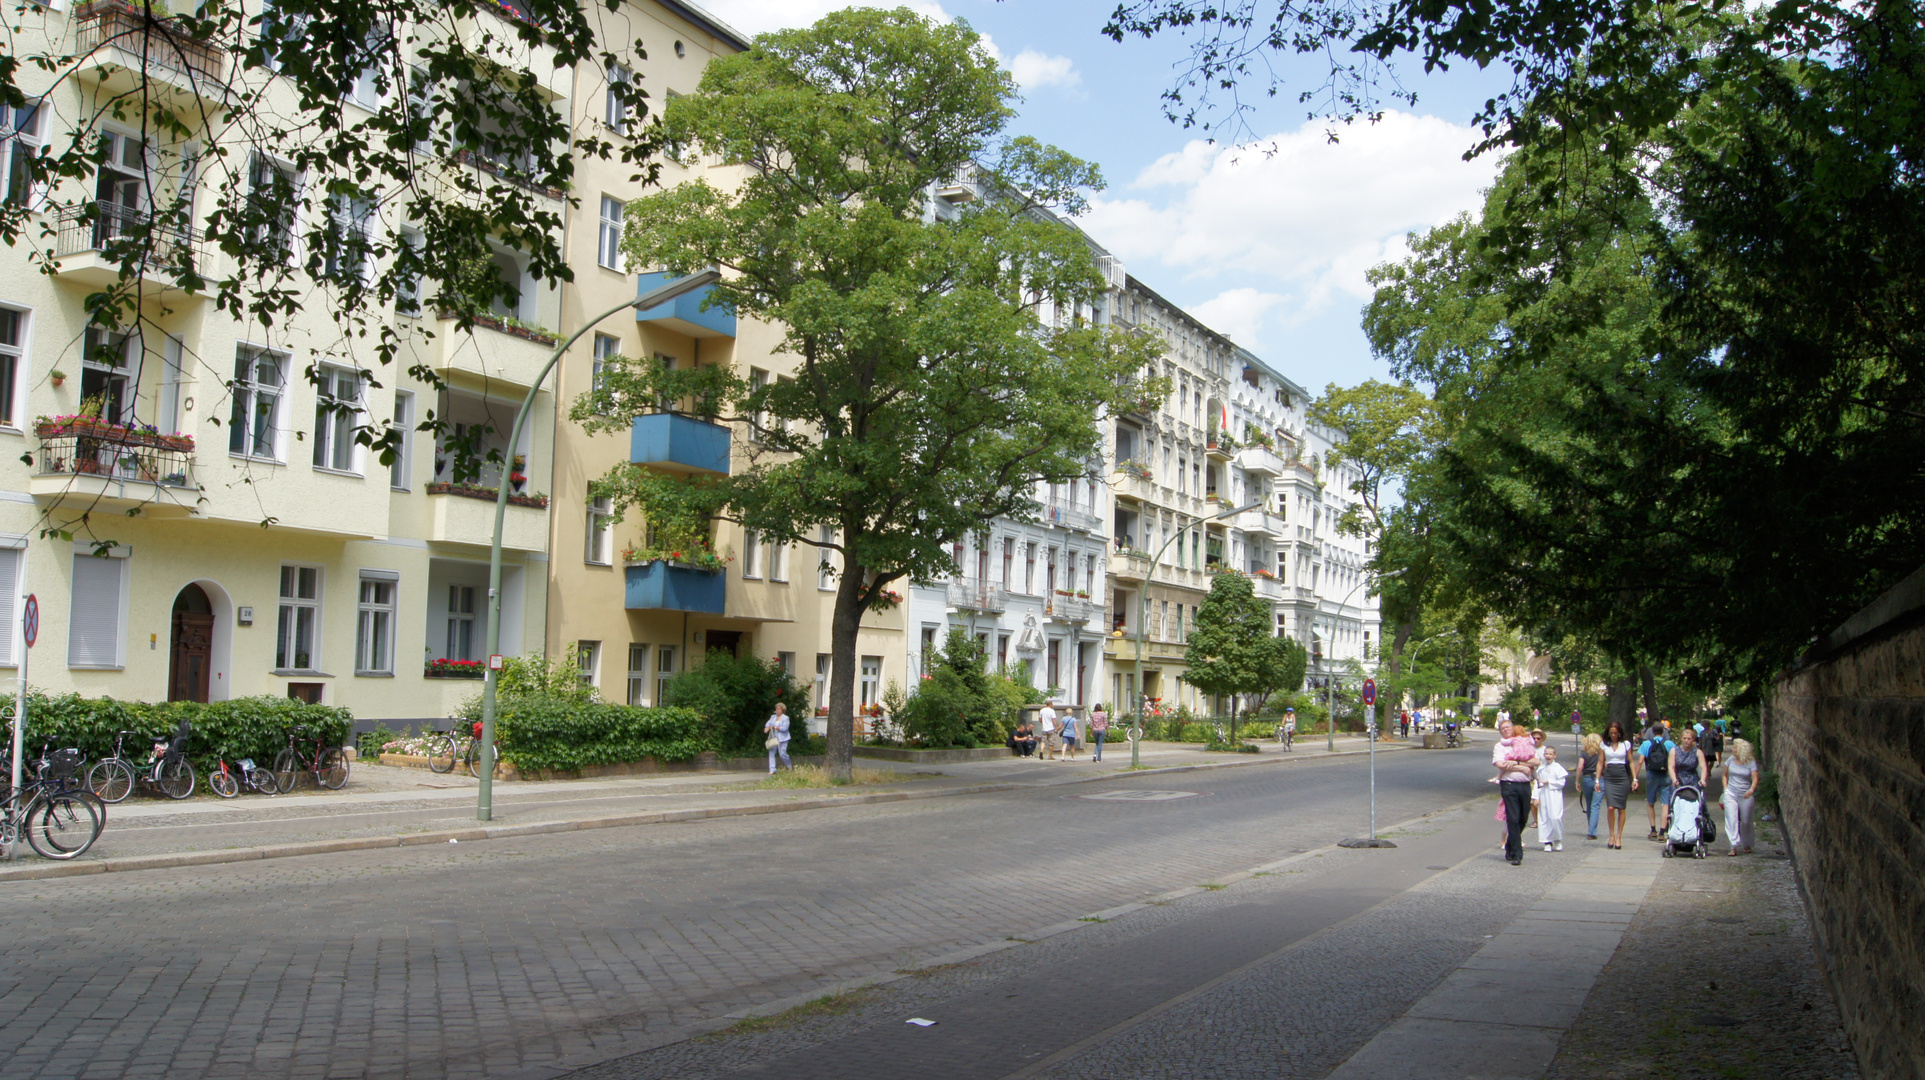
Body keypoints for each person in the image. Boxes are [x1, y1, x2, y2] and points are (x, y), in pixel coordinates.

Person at [1492, 717, 1540, 865]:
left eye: (1508, 727)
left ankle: (1510, 845)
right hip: (1509, 785)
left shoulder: (1523, 741)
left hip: (1525, 784)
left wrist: (1516, 762)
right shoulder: (1500, 746)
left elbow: (1536, 761)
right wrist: (1522, 767)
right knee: (1513, 818)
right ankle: (1517, 854)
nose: (1506, 730)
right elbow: (1500, 764)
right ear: (1500, 732)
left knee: (1523, 818)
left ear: (1512, 728)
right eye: (1503, 729)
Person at [1597, 720, 1636, 849]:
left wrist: (1635, 778)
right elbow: (1600, 762)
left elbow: (1630, 761)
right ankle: (1611, 834)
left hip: (1622, 776)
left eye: (1615, 733)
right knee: (1610, 807)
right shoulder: (1604, 745)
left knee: (1621, 808)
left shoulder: (1625, 744)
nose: (1613, 735)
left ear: (1619, 733)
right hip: (1610, 776)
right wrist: (1597, 780)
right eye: (1611, 733)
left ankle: (1619, 836)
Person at [1720, 737, 1759, 855]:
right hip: (1731, 793)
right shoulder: (1731, 760)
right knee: (1731, 819)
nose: (1733, 749)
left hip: (1745, 794)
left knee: (1746, 821)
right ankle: (1733, 845)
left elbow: (1755, 778)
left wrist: (1751, 790)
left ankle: (1747, 843)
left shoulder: (1750, 762)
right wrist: (1725, 788)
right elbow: (1725, 775)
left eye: (1735, 747)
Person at [1639, 723, 1677, 840]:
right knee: (1665, 804)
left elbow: (1640, 761)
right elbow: (1675, 760)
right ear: (1664, 731)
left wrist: (1635, 777)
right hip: (1665, 775)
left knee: (1650, 803)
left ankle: (1653, 830)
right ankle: (1662, 832)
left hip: (1651, 774)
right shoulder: (1669, 744)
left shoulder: (1646, 743)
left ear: (1652, 731)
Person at [1668, 727, 1708, 829]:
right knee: (1675, 803)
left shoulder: (1698, 752)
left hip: (1692, 779)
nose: (1686, 741)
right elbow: (1671, 767)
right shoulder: (1674, 751)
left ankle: (1697, 825)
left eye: (1689, 739)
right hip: (1678, 779)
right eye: (1684, 738)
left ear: (1693, 739)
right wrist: (1674, 779)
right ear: (1681, 738)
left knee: (1698, 802)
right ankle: (1674, 826)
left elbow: (1703, 767)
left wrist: (1703, 779)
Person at [1536, 745, 1569, 851]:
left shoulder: (1558, 768)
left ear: (1555, 755)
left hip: (1554, 795)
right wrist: (1535, 797)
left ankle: (1557, 839)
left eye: (1550, 754)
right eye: (1546, 753)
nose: (1548, 756)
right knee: (1544, 817)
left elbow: (1561, 783)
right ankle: (1547, 841)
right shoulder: (1541, 769)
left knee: (1555, 816)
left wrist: (1549, 782)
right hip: (1543, 795)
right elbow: (1537, 784)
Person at [1576, 732, 1604, 840]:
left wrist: (1577, 781)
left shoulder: (1584, 753)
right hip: (1600, 779)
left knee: (1589, 805)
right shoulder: (1602, 753)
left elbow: (1579, 767)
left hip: (1587, 779)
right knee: (1595, 806)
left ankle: (1590, 828)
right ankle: (1592, 831)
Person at [1527, 729, 1548, 827]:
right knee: (1532, 800)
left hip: (1543, 777)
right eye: (1534, 738)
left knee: (1543, 800)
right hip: (1531, 777)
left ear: (1542, 739)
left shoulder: (1545, 750)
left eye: (1538, 738)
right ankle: (1536, 820)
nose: (1536, 740)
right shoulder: (1529, 748)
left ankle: (1544, 819)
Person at [763, 703, 792, 774]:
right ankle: (772, 769)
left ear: (782, 710)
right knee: (771, 752)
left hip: (783, 738)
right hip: (773, 738)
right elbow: (768, 724)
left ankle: (789, 766)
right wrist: (767, 727)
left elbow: (785, 728)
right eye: (776, 709)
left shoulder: (785, 718)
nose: (777, 710)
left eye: (779, 709)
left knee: (782, 754)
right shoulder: (773, 717)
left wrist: (775, 727)